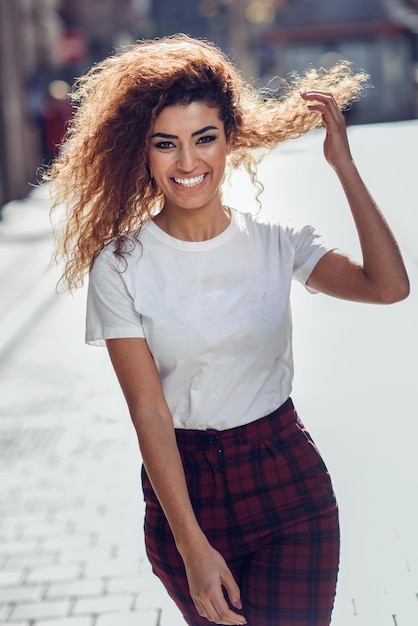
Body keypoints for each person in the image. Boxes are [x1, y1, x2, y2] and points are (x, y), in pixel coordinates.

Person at [45, 34, 409, 626]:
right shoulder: (119, 266)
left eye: (204, 138)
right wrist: (192, 548)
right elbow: (150, 413)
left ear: (230, 139)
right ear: (142, 152)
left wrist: (344, 167)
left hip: (286, 479)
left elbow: (389, 287)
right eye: (167, 144)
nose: (188, 163)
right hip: (185, 495)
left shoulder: (276, 243)